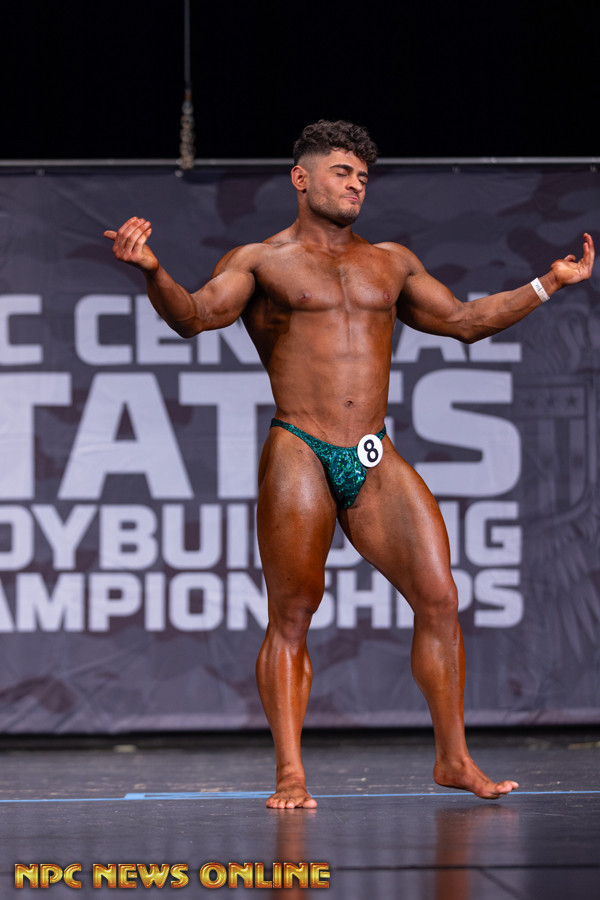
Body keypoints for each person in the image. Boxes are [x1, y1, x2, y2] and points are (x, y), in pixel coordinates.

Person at [104, 120, 595, 809]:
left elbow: (465, 320)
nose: (356, 185)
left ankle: (454, 759)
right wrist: (155, 272)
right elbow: (193, 317)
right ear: (301, 178)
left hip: (373, 450)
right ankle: (290, 774)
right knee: (293, 615)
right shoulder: (261, 261)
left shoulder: (391, 262)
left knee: (440, 597)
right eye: (342, 172)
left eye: (363, 176)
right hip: (300, 447)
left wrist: (549, 283)